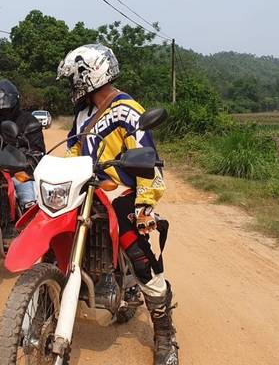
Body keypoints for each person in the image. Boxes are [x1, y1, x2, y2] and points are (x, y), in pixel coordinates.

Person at [57, 44, 178, 365]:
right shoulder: (83, 114)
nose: (71, 87)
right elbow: (72, 150)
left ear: (88, 76)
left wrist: (144, 204)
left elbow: (146, 158)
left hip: (119, 192)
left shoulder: (127, 110)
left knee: (139, 255)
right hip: (86, 191)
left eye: (73, 80)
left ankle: (165, 334)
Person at [0, 79, 45, 212]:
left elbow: (38, 151)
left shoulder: (28, 121)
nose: (4, 113)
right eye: (0, 111)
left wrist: (26, 161)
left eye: (7, 110)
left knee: (27, 198)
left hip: (18, 171)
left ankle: (27, 225)